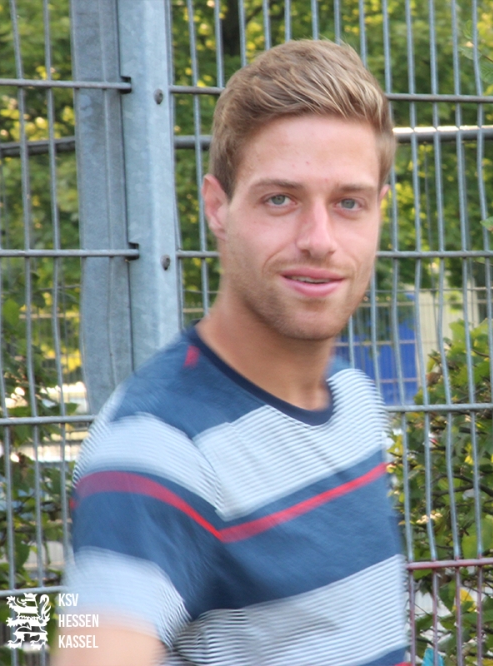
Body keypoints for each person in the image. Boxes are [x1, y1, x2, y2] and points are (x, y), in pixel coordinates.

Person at [56, 40, 407, 666]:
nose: (319, 240)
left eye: (348, 203)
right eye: (280, 199)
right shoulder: (156, 450)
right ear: (217, 208)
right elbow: (84, 646)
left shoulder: (352, 399)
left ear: (381, 209)